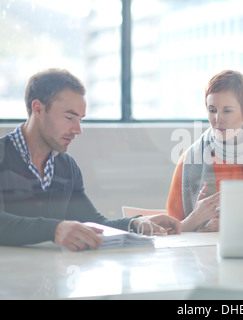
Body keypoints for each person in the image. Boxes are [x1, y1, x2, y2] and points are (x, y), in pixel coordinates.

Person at [0, 68, 181, 251]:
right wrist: (54, 230)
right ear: (38, 109)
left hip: (50, 272)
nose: (78, 129)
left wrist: (135, 223)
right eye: (69, 117)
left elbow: (93, 222)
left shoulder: (66, 166)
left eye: (80, 119)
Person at [166, 70, 243, 232]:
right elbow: (172, 228)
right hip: (200, 254)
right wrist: (196, 218)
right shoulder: (189, 160)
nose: (218, 118)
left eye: (227, 110)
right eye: (212, 110)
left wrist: (234, 227)